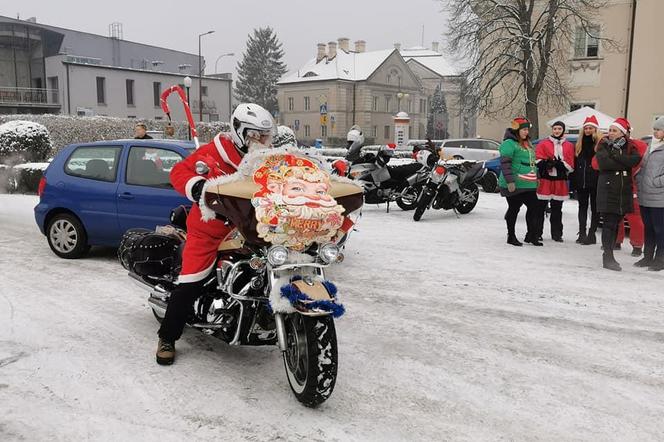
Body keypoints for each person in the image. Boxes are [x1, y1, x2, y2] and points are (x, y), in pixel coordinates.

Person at [155, 103, 275, 365]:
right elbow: (179, 173)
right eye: (259, 135)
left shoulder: (266, 158)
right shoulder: (212, 154)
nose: (264, 141)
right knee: (190, 282)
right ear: (242, 133)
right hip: (212, 230)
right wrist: (198, 187)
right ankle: (167, 336)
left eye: (267, 136)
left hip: (255, 229)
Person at [592, 118, 642, 271]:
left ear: (623, 133)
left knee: (616, 224)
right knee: (609, 225)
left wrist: (616, 157)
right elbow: (604, 164)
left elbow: (635, 160)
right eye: (610, 130)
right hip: (608, 190)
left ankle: (610, 254)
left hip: (623, 191)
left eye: (614, 130)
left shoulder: (630, 146)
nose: (610, 133)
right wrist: (623, 162)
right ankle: (607, 256)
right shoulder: (603, 144)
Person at [498, 117, 540, 246]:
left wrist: (537, 177)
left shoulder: (528, 144)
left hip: (528, 183)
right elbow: (505, 163)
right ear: (517, 130)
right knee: (514, 208)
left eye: (527, 129)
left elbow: (532, 163)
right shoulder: (509, 143)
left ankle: (531, 235)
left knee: (535, 208)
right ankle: (511, 236)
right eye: (524, 129)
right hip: (514, 183)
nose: (526, 132)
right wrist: (510, 181)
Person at [535, 121, 575, 242]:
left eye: (559, 129)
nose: (557, 131)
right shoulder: (543, 143)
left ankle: (557, 234)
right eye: (555, 128)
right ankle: (537, 232)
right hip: (545, 179)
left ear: (563, 130)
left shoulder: (568, 145)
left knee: (557, 209)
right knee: (540, 208)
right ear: (552, 130)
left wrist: (560, 164)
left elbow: (570, 163)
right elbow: (537, 158)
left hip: (559, 181)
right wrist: (546, 163)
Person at [634, 116, 664, 271]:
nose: (655, 132)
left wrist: (656, 182)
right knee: (649, 227)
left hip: (660, 197)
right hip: (645, 195)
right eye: (655, 129)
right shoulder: (650, 145)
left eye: (658, 129)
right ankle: (647, 256)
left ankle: (660, 259)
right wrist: (639, 180)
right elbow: (642, 167)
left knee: (660, 229)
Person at [615, 134, 648, 256]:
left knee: (634, 216)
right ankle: (616, 240)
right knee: (616, 215)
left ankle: (637, 245)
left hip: (632, 185)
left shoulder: (637, 147)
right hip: (616, 184)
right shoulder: (609, 145)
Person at [572, 115, 601, 245]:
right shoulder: (579, 144)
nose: (588, 130)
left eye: (590, 128)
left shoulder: (600, 143)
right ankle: (582, 232)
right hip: (582, 180)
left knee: (595, 208)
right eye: (586, 128)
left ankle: (592, 233)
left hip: (595, 180)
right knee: (582, 207)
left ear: (595, 129)